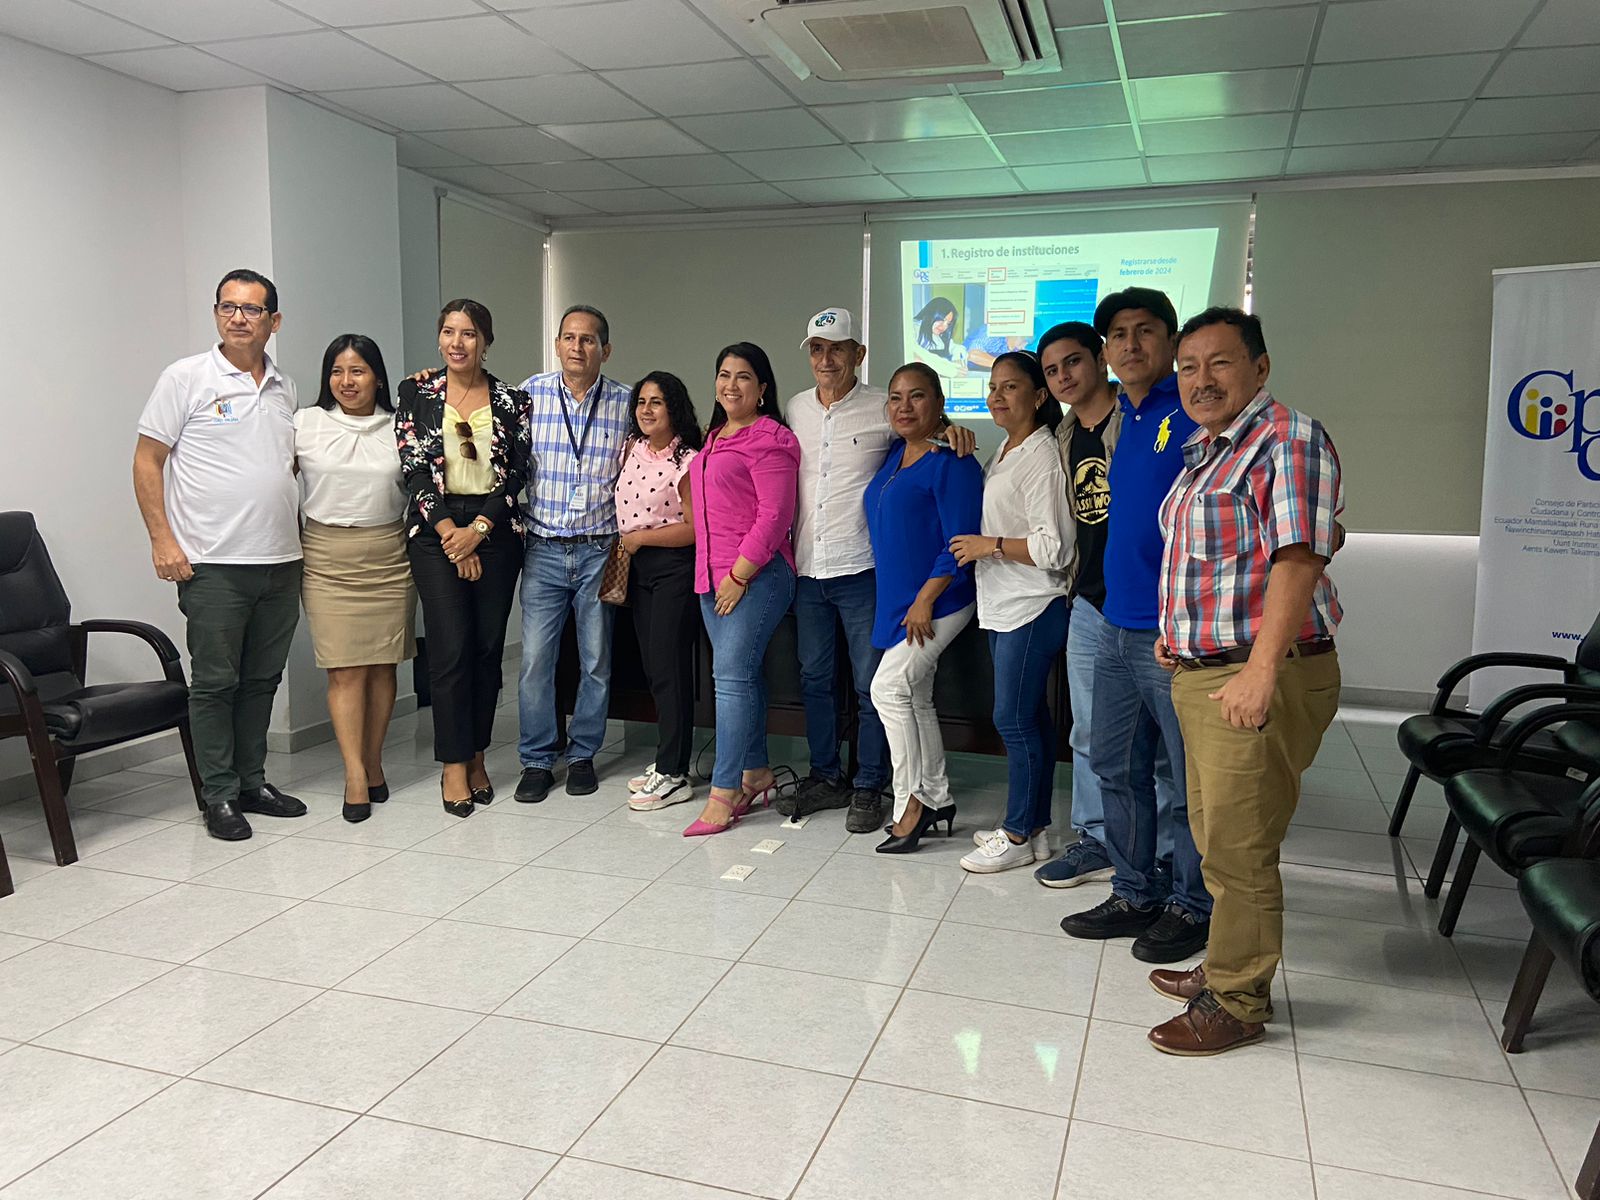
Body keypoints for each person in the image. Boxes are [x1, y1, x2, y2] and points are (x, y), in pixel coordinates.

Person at [1145, 308, 1343, 1056]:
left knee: (1240, 846)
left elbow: (1298, 558)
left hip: (1258, 673)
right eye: (1188, 367)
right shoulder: (1208, 451)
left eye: (1219, 363)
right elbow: (1221, 562)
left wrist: (1261, 669)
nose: (1200, 379)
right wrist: (1180, 633)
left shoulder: (1285, 440)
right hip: (1207, 671)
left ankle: (1237, 1000)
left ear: (1259, 368)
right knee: (1216, 836)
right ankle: (1227, 961)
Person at [778, 307, 976, 833]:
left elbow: (925, 435)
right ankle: (826, 776)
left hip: (865, 571)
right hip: (808, 568)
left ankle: (870, 784)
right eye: (817, 349)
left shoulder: (881, 410)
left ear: (858, 354)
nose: (826, 359)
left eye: (837, 349)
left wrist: (953, 429)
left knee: (873, 685)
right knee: (815, 678)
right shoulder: (795, 408)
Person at [1059, 287, 1213, 964]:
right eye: (1118, 334)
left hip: (1172, 635)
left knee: (1188, 781)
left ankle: (1193, 904)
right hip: (1113, 623)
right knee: (1114, 768)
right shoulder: (1129, 414)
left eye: (1145, 330)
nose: (1130, 344)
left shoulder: (1195, 412)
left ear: (1171, 341)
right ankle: (1134, 891)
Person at [133, 268, 309, 842]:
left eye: (251, 309)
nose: (238, 317)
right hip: (212, 563)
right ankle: (219, 795)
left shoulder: (285, 388)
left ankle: (252, 782)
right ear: (216, 314)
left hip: (280, 561)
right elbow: (147, 460)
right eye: (227, 307)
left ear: (273, 321)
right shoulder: (185, 377)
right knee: (214, 683)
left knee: (262, 679)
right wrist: (162, 539)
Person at [1032, 321, 1177, 889]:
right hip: (1091, 602)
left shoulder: (1142, 419)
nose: (1063, 376)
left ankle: (1164, 851)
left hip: (1152, 605)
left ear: (1100, 359)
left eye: (1072, 362)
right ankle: (1098, 839)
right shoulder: (1063, 434)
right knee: (1091, 734)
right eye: (1051, 371)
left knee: (1158, 743)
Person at [396, 299, 529, 818]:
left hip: (494, 529)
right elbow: (413, 467)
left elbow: (516, 474)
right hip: (436, 529)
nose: (457, 342)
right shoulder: (416, 393)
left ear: (486, 341)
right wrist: (453, 533)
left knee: (486, 650)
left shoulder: (513, 400)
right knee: (450, 648)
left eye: (469, 333)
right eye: (449, 331)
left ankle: (477, 754)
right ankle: (453, 764)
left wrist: (478, 531)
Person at [951, 352, 1074, 873]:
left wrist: (990, 546)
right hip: (1004, 603)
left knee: (1013, 718)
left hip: (1033, 603)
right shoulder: (1006, 449)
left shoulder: (1042, 456)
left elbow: (1054, 548)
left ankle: (1018, 832)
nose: (996, 397)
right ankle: (1036, 827)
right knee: (1030, 719)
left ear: (1040, 396)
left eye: (1010, 387)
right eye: (992, 387)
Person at [294, 334, 414, 824]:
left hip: (389, 556)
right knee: (344, 670)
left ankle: (374, 761)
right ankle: (354, 775)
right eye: (337, 371)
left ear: (378, 377)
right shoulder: (305, 424)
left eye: (358, 371)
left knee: (383, 667)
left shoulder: (400, 427)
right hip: (326, 557)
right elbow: (275, 484)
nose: (346, 381)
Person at [514, 305, 632, 803]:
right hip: (542, 547)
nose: (577, 347)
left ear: (605, 349)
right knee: (535, 660)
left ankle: (583, 754)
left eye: (588, 340)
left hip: (599, 551)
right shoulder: (529, 394)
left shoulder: (626, 402)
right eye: (568, 338)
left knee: (596, 659)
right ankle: (538, 759)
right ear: (557, 344)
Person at [683, 343, 800, 838]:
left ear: (763, 388)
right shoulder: (714, 439)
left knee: (729, 678)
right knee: (741, 677)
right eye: (724, 374)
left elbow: (774, 516)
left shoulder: (771, 439)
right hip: (712, 578)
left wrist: (738, 576)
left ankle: (724, 791)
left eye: (744, 376)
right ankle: (755, 771)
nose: (731, 385)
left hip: (756, 575)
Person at [867, 363, 983, 854]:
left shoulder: (952, 461)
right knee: (914, 695)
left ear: (939, 402)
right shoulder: (896, 453)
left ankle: (911, 803)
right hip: (899, 598)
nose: (904, 406)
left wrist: (924, 600)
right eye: (896, 397)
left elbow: (960, 542)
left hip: (940, 597)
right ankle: (937, 796)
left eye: (917, 396)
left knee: (888, 689)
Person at [616, 371, 703, 812]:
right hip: (638, 568)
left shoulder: (687, 459)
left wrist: (641, 539)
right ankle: (667, 759)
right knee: (653, 668)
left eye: (657, 402)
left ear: (674, 408)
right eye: (641, 401)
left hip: (673, 569)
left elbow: (694, 529)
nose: (646, 410)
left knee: (670, 670)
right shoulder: (633, 447)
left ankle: (674, 773)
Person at [913, 297, 959, 361]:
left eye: (948, 323)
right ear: (931, 314)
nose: (944, 327)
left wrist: (957, 358)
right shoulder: (913, 329)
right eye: (942, 320)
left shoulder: (941, 336)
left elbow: (957, 348)